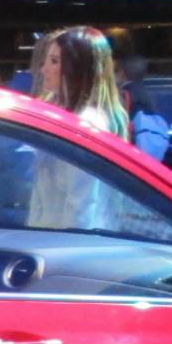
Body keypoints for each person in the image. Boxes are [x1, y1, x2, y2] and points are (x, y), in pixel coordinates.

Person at [29, 27, 130, 230]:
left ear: (78, 69)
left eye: (54, 61)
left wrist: (66, 246)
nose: (43, 69)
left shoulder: (86, 124)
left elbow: (82, 204)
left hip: (64, 240)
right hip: (49, 236)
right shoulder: (61, 113)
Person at [117, 51, 170, 159]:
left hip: (131, 151)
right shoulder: (149, 94)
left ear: (122, 72)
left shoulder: (124, 94)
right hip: (152, 153)